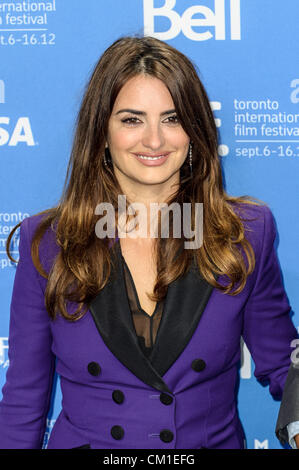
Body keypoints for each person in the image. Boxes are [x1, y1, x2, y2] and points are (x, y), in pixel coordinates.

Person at [0, 35, 298, 449]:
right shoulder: (50, 242)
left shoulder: (246, 233)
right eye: (132, 119)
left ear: (195, 130)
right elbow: (22, 404)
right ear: (101, 132)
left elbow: (285, 363)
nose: (155, 141)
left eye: (172, 119)